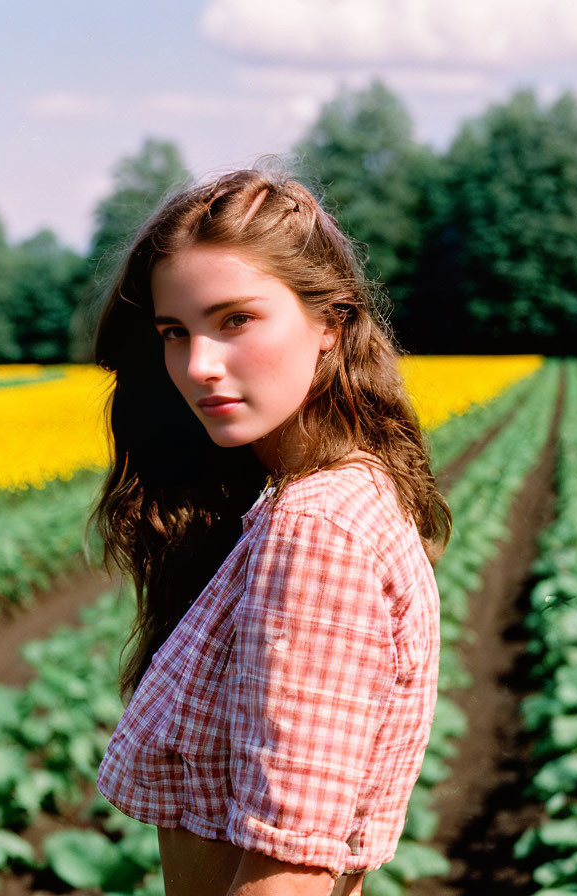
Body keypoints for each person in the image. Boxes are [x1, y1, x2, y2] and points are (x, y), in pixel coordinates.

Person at [90, 162, 452, 896]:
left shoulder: (314, 527)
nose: (198, 366)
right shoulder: (340, 491)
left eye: (235, 320)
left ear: (330, 321)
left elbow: (288, 870)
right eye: (173, 332)